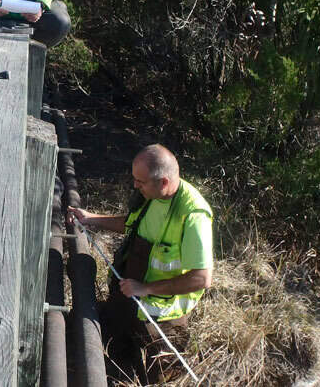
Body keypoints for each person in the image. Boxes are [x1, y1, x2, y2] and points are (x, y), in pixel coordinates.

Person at [69, 144, 213, 380]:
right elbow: (132, 223)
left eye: (140, 181)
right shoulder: (152, 195)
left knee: (152, 375)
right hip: (129, 297)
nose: (135, 185)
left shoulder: (194, 215)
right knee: (114, 348)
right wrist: (92, 218)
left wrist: (145, 288)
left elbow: (202, 278)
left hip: (159, 319)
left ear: (163, 182)